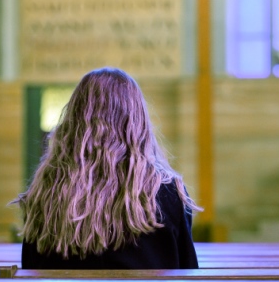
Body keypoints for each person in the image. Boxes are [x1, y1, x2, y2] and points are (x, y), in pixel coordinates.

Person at [13, 67, 200, 269]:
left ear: (74, 121)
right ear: (137, 122)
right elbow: (188, 272)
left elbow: (31, 267)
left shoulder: (46, 190)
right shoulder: (168, 191)